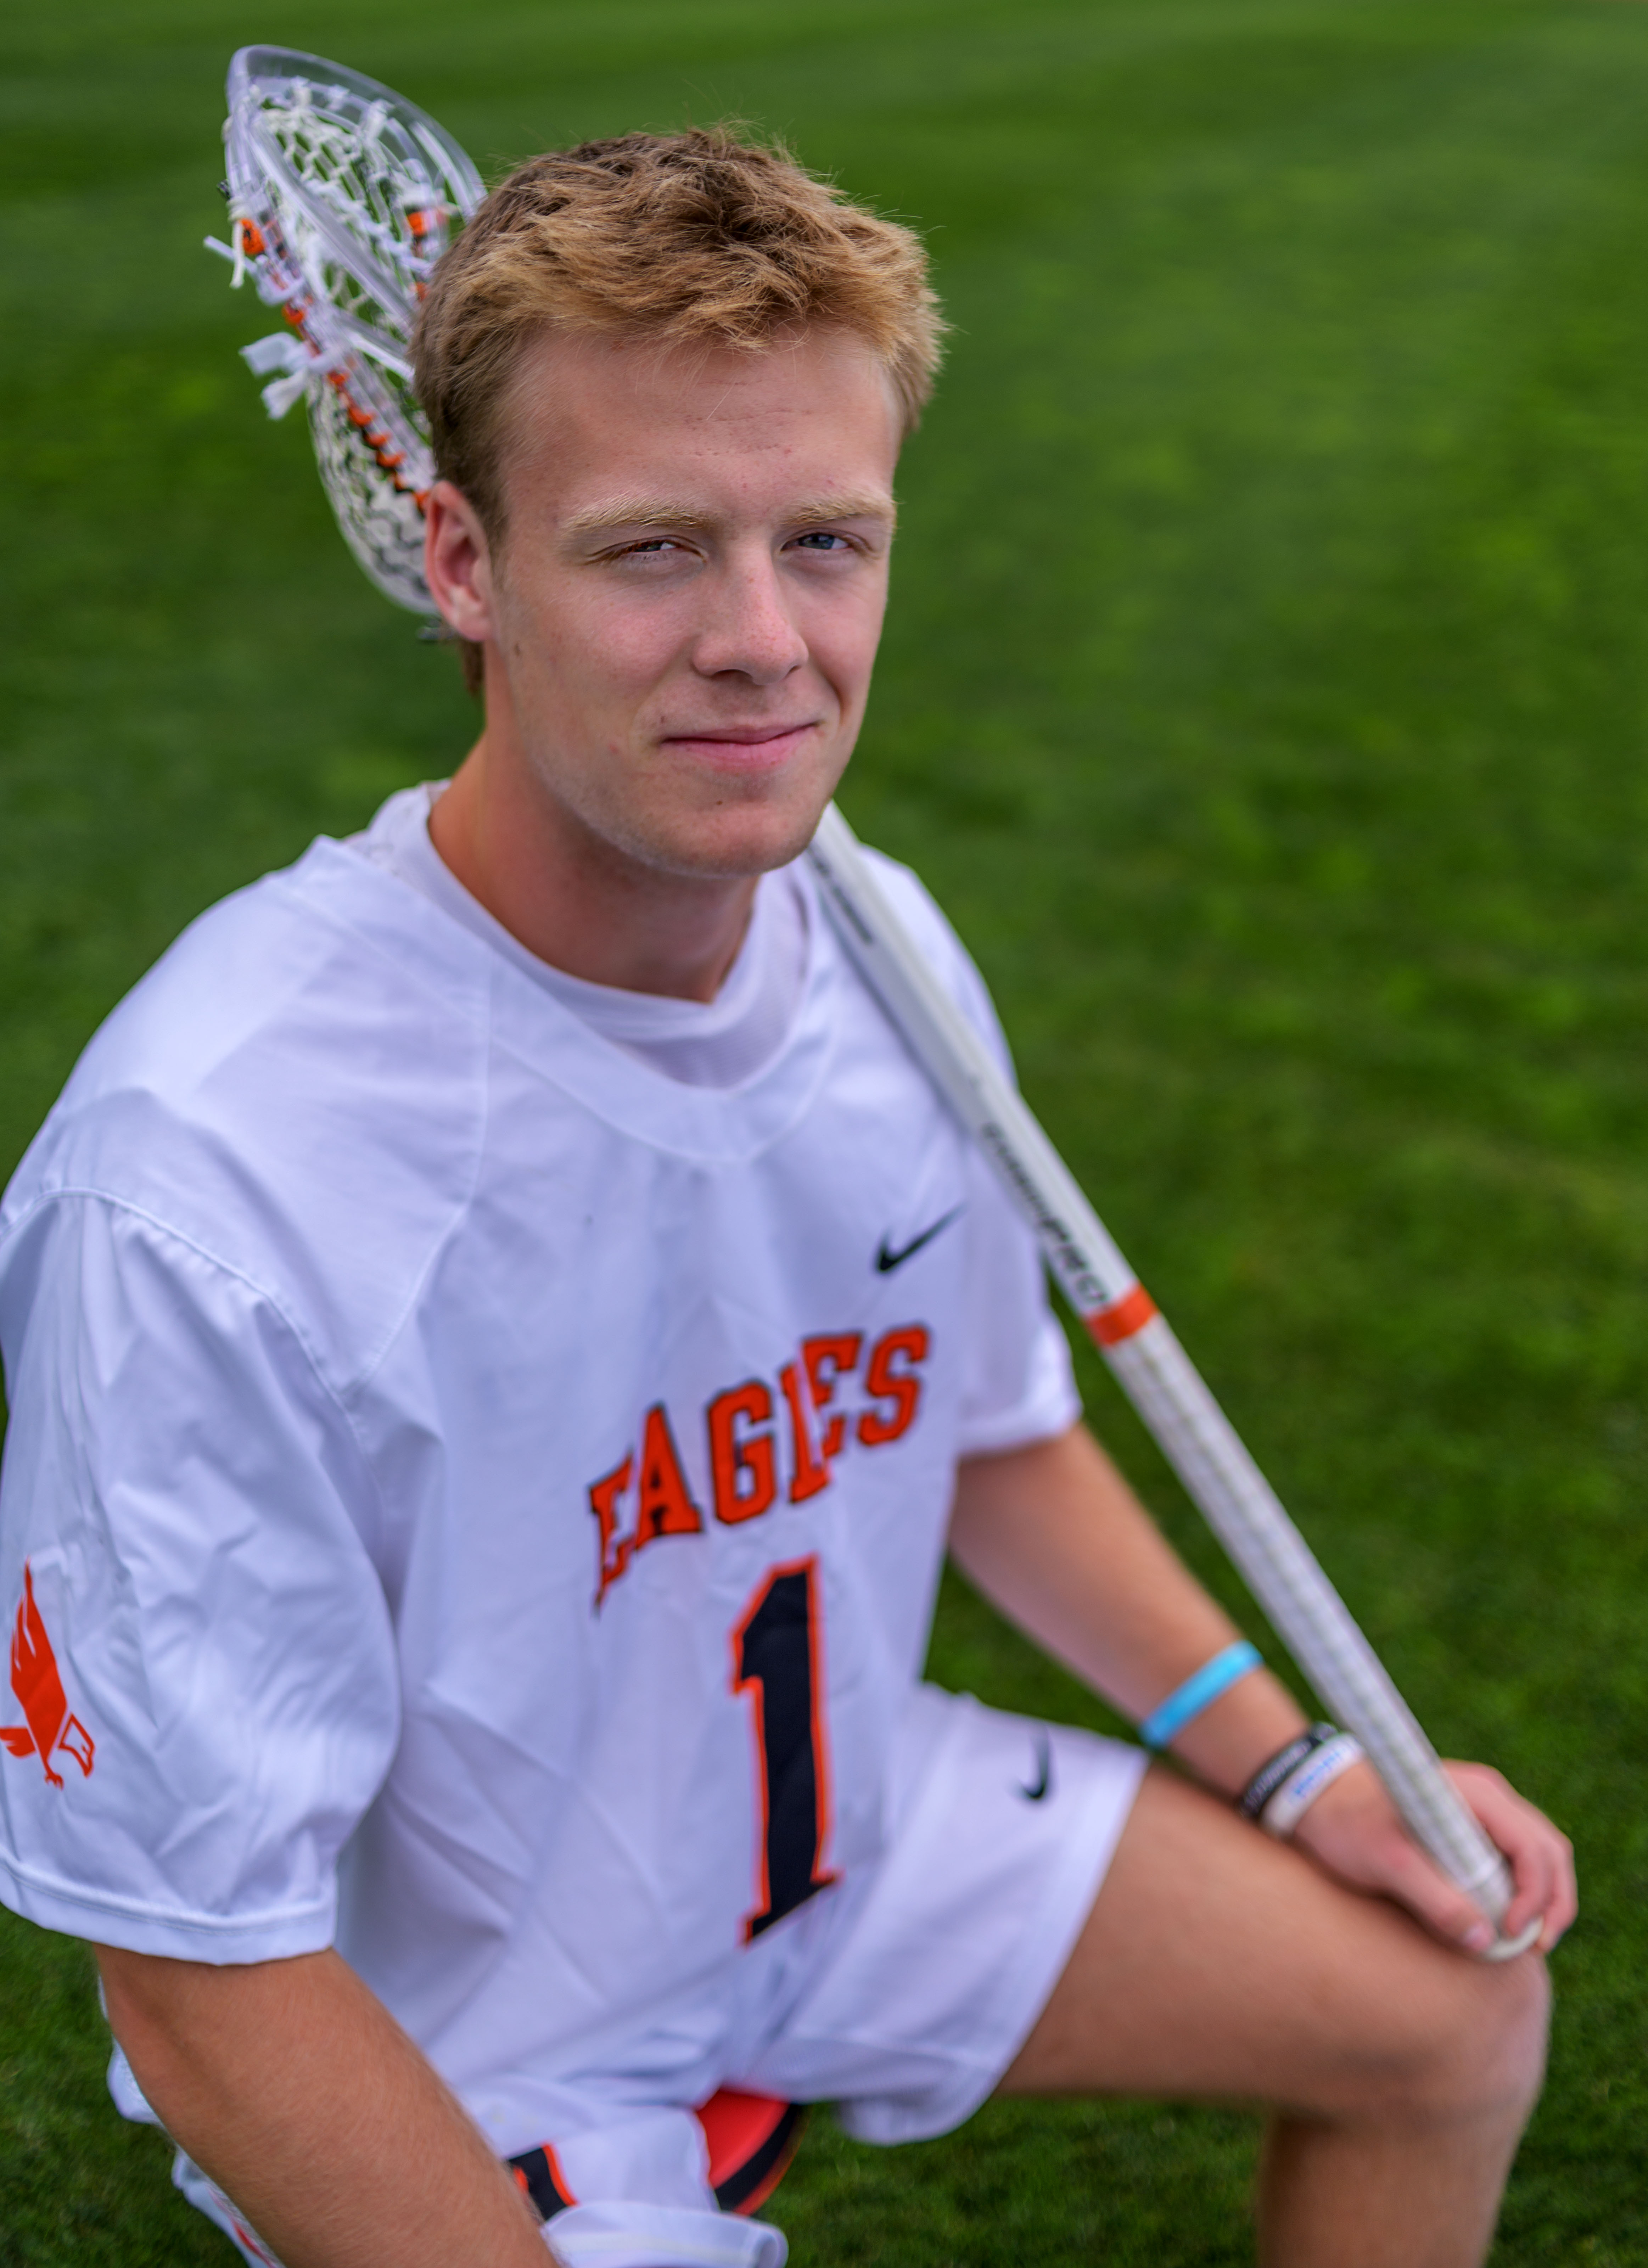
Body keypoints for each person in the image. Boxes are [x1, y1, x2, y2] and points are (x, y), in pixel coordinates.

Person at [0, 128, 1574, 2268]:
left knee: (1454, 2008)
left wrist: (1298, 1773)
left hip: (838, 1843)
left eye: (826, 539)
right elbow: (196, 1978)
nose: (766, 641)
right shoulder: (212, 1167)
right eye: (654, 550)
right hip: (482, 2031)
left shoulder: (887, 948)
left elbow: (988, 1431)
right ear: (462, 562)